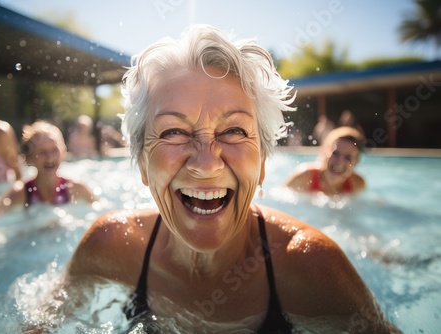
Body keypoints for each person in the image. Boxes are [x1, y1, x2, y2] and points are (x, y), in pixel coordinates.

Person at [59, 25, 399, 333]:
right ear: (143, 164)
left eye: (234, 130)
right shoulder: (111, 247)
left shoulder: (312, 269)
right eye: (174, 132)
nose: (206, 164)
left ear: (263, 162)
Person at [0, 120, 97, 216]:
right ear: (28, 158)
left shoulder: (76, 188)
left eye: (54, 150)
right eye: (42, 152)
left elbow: (100, 211)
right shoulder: (22, 192)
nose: (50, 157)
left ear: (63, 152)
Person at [285, 126, 366, 195]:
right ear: (324, 152)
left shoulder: (357, 183)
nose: (340, 161)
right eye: (335, 154)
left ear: (356, 163)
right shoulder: (305, 177)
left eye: (348, 158)